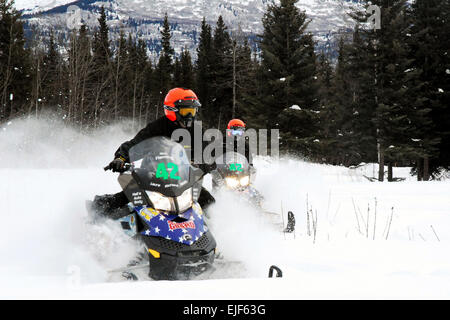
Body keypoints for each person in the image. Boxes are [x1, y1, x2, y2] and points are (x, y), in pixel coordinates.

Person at [91, 88, 216, 218]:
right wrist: (121, 158)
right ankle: (99, 224)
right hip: (153, 175)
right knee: (118, 200)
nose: (190, 116)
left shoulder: (197, 130)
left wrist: (200, 166)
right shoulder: (157, 127)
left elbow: (209, 155)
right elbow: (135, 144)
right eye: (186, 111)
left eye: (193, 111)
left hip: (185, 179)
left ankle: (210, 231)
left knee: (209, 202)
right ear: (172, 110)